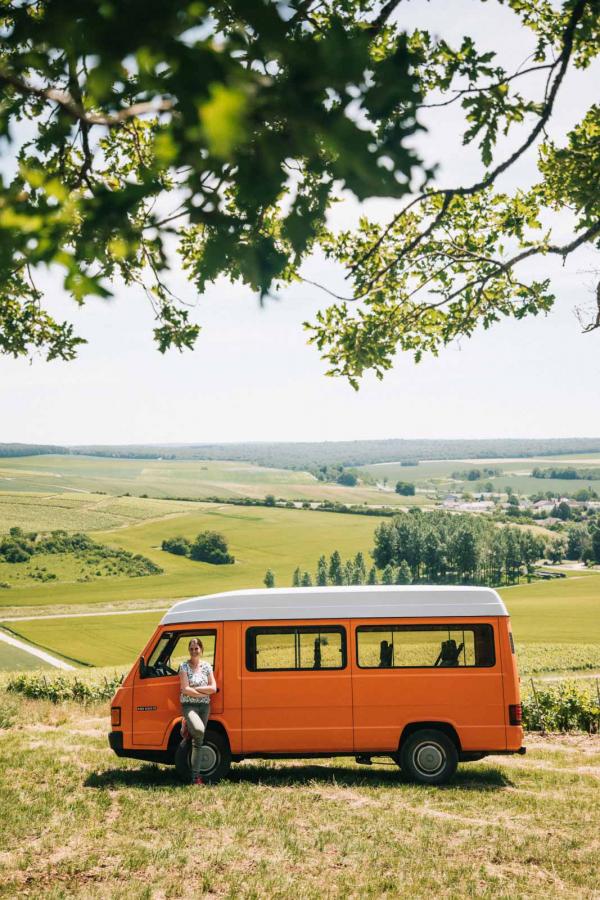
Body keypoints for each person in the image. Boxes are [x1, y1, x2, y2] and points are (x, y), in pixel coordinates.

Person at [179, 638, 217, 785]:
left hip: (204, 707)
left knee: (198, 741)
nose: (194, 651)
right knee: (200, 730)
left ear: (201, 650)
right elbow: (185, 689)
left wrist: (195, 690)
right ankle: (188, 724)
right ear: (189, 650)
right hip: (189, 706)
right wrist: (203, 693)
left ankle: (195, 778)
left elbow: (213, 688)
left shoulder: (207, 666)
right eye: (192, 648)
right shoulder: (183, 666)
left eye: (196, 648)